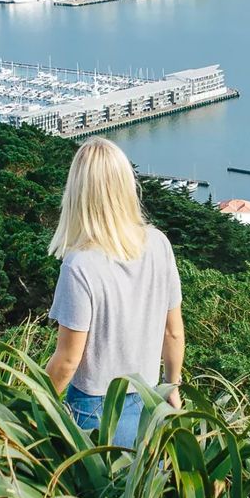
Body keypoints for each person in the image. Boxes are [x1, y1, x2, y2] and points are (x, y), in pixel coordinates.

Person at [45, 136, 185, 446]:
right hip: (151, 405)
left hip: (95, 412)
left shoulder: (79, 265)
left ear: (78, 193)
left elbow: (68, 360)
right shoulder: (158, 244)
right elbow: (173, 332)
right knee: (143, 491)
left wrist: (34, 405)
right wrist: (171, 386)